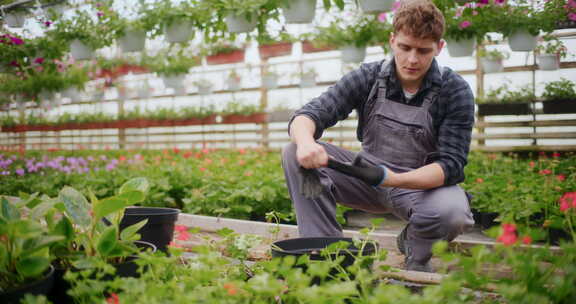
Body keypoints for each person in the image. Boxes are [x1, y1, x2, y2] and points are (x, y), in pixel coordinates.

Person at [281, 0, 475, 272]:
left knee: (453, 212)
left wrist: (393, 179)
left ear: (439, 48)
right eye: (405, 47)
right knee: (293, 153)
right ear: (392, 40)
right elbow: (311, 113)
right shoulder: (370, 77)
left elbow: (451, 165)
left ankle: (416, 255)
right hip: (366, 178)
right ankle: (327, 254)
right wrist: (305, 143)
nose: (412, 59)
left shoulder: (453, 90)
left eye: (423, 51)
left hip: (418, 189)